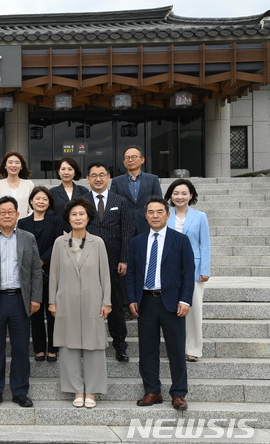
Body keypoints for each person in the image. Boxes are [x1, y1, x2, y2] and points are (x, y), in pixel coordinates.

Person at [127, 196, 195, 411]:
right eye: (150, 212)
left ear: (168, 214)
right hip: (146, 301)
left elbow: (188, 273)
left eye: (159, 212)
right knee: (147, 350)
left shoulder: (180, 240)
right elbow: (131, 273)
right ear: (145, 216)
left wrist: (185, 299)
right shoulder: (137, 241)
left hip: (172, 303)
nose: (155, 216)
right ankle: (152, 391)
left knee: (175, 349)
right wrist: (132, 298)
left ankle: (178, 393)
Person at [0, 196, 41, 408]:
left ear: (18, 214)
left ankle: (20, 392)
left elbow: (36, 272)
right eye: (2, 212)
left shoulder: (28, 238)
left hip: (21, 300)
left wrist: (36, 298)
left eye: (11, 211)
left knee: (21, 349)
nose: (7, 215)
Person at [48, 198, 112, 409]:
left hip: (94, 300)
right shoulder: (59, 243)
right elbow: (54, 274)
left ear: (88, 218)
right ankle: (76, 389)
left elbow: (105, 274)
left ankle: (91, 391)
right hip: (65, 301)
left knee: (94, 347)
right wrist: (52, 301)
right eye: (74, 214)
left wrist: (106, 301)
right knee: (68, 346)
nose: (77, 218)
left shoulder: (98, 242)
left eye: (81, 214)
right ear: (68, 218)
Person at [85, 162, 133, 363]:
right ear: (87, 179)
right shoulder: (82, 201)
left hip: (114, 263)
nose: (98, 178)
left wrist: (124, 258)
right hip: (87, 263)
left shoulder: (120, 201)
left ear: (108, 178)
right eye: (94, 175)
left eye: (102, 175)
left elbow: (127, 232)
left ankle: (120, 345)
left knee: (114, 305)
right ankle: (88, 344)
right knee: (88, 305)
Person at [165, 179, 211, 362]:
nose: (180, 197)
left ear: (191, 195)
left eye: (184, 193)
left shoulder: (200, 216)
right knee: (171, 310)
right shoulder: (165, 215)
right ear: (170, 196)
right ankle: (175, 347)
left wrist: (205, 269)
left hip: (194, 269)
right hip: (169, 269)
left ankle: (193, 349)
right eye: (176, 193)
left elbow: (205, 245)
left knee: (193, 310)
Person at [17, 186, 63, 362]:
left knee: (52, 311)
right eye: (37, 198)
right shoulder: (22, 223)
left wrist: (42, 261)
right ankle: (39, 349)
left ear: (49, 202)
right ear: (31, 201)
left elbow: (58, 242)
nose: (41, 201)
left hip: (51, 270)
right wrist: (33, 264)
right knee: (34, 311)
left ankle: (53, 348)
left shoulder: (57, 221)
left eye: (44, 199)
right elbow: (21, 245)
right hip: (29, 272)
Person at [110, 145, 162, 236]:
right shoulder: (116, 181)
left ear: (142, 160)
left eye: (134, 157)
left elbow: (158, 202)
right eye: (127, 158)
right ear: (124, 162)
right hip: (125, 227)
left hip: (147, 225)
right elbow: (113, 205)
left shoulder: (152, 179)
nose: (130, 160)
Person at [49, 157, 91, 227]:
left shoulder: (83, 191)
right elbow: (50, 215)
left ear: (75, 172)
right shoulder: (52, 192)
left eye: (70, 169)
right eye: (63, 169)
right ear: (58, 172)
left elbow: (88, 212)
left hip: (80, 230)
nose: (66, 172)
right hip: (59, 232)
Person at [0, 151, 34, 216]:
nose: (13, 165)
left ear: (21, 166)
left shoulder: (29, 184)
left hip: (24, 224)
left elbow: (32, 209)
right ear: (5, 166)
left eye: (17, 163)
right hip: (3, 224)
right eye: (10, 162)